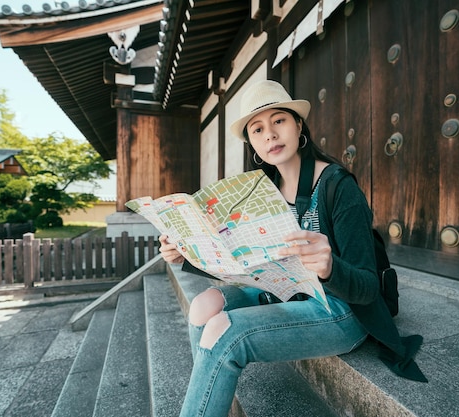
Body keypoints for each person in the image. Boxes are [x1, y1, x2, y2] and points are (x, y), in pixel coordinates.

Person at [159, 80, 426, 417]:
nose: (270, 134)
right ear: (252, 143)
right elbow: (241, 262)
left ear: (298, 125)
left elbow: (367, 286)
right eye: (257, 129)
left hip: (341, 309)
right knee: (203, 305)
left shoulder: (337, 187)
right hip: (282, 292)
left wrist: (329, 268)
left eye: (279, 121)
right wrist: (187, 255)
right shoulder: (260, 192)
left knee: (225, 331)